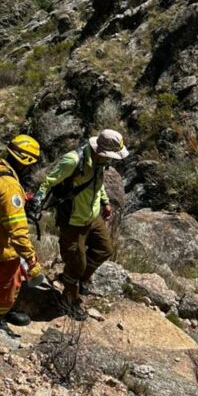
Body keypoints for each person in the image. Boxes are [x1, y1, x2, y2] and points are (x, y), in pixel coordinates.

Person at [32, 128, 129, 321]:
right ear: (100, 150)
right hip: (72, 221)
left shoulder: (100, 163)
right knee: (77, 263)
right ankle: (70, 300)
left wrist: (105, 202)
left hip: (92, 217)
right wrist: (37, 202)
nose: (112, 160)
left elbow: (97, 183)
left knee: (105, 249)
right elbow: (48, 182)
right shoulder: (73, 161)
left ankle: (74, 280)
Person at [0, 134, 45, 335]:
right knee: (7, 284)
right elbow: (18, 231)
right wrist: (31, 260)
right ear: (25, 162)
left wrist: (23, 198)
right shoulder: (9, 185)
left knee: (2, 281)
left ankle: (0, 311)